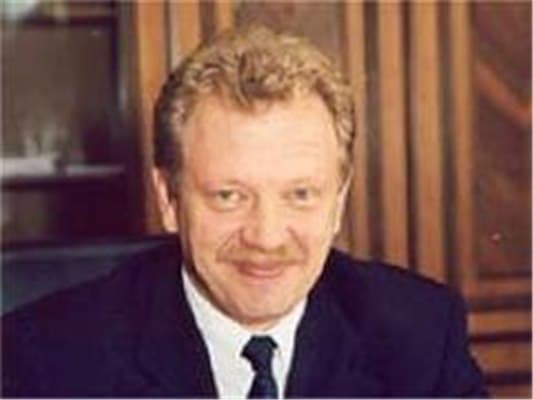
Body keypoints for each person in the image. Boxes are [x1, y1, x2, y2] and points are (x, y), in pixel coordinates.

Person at [2, 25, 487, 397]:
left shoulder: (421, 336)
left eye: (300, 194)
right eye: (229, 196)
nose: (267, 237)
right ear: (169, 199)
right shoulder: (46, 360)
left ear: (339, 202)